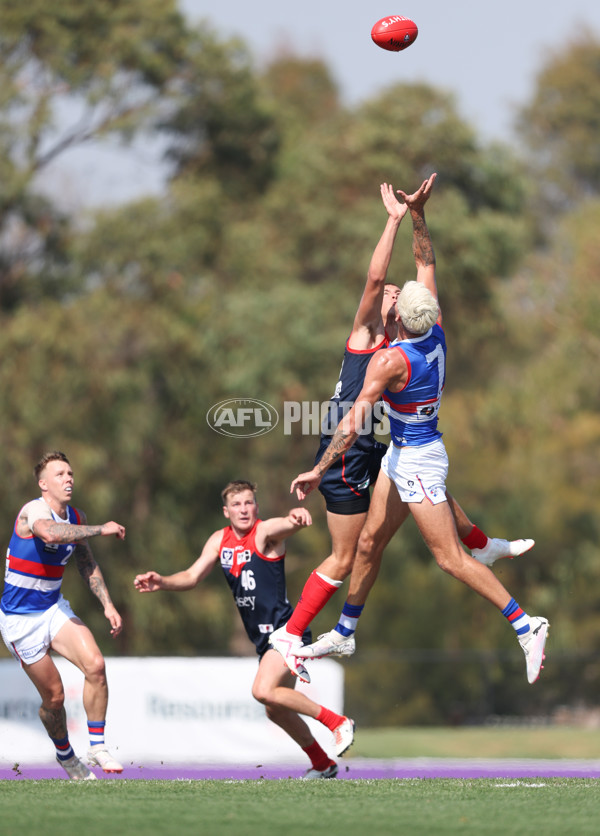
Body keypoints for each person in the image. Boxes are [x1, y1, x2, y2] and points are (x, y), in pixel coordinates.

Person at [285, 176, 549, 686]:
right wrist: (418, 213)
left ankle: (526, 624)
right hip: (401, 456)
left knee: (449, 559)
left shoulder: (389, 362)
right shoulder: (435, 328)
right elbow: (426, 263)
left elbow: (354, 419)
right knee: (366, 546)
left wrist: (319, 469)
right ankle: (345, 630)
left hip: (422, 460)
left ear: (401, 320)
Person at [133, 479, 355, 780]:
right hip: (265, 641)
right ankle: (322, 764)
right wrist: (163, 582)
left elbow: (282, 526)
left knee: (262, 690)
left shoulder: (263, 533)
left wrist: (295, 520)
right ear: (226, 511)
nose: (243, 509)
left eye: (249, 502)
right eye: (236, 504)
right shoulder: (219, 540)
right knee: (274, 708)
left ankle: (338, 722)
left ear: (256, 506)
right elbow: (192, 575)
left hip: (287, 633)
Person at [0, 451, 126, 780]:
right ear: (44, 484)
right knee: (54, 697)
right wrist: (102, 528)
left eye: (70, 473)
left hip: (52, 607)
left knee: (96, 665)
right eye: (59, 474)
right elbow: (52, 534)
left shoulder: (76, 515)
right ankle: (66, 754)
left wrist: (107, 604)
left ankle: (96, 746)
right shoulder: (32, 511)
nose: (68, 478)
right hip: (20, 620)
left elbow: (86, 562)